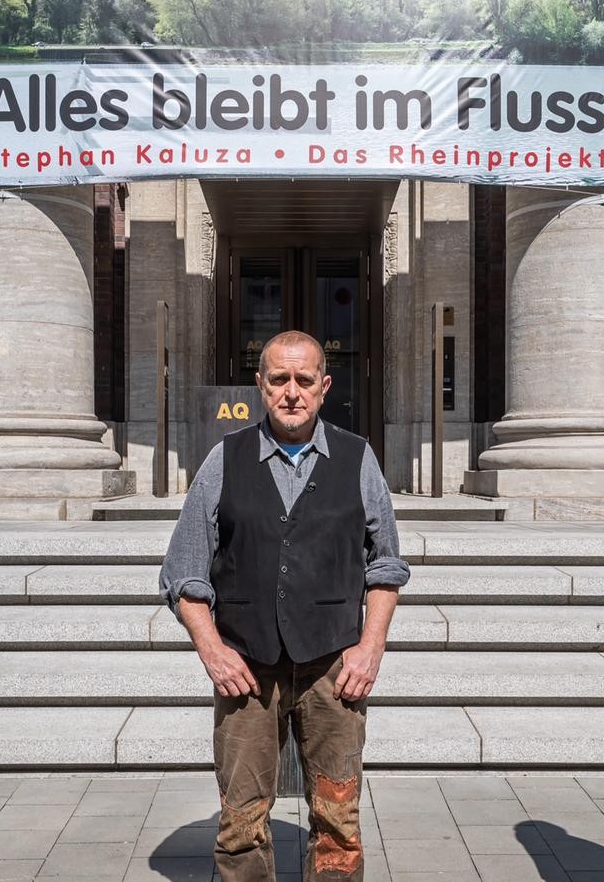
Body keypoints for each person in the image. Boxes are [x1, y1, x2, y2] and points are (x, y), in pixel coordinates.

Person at [159, 329, 409, 882]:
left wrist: (370, 648)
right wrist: (213, 652)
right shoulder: (224, 460)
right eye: (279, 379)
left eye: (303, 380)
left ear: (324, 386)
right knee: (240, 823)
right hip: (247, 668)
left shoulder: (357, 458)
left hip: (333, 667)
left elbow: (386, 565)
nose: (291, 392)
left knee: (338, 819)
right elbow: (183, 572)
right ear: (260, 385)